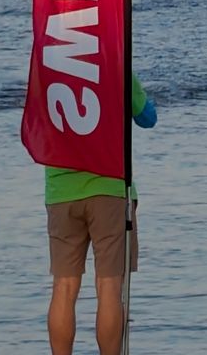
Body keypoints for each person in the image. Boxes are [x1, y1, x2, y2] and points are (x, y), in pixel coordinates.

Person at [45, 74, 158, 355]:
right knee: (109, 286)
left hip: (61, 190)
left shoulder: (49, 68)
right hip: (110, 188)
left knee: (63, 286)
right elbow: (147, 118)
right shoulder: (116, 65)